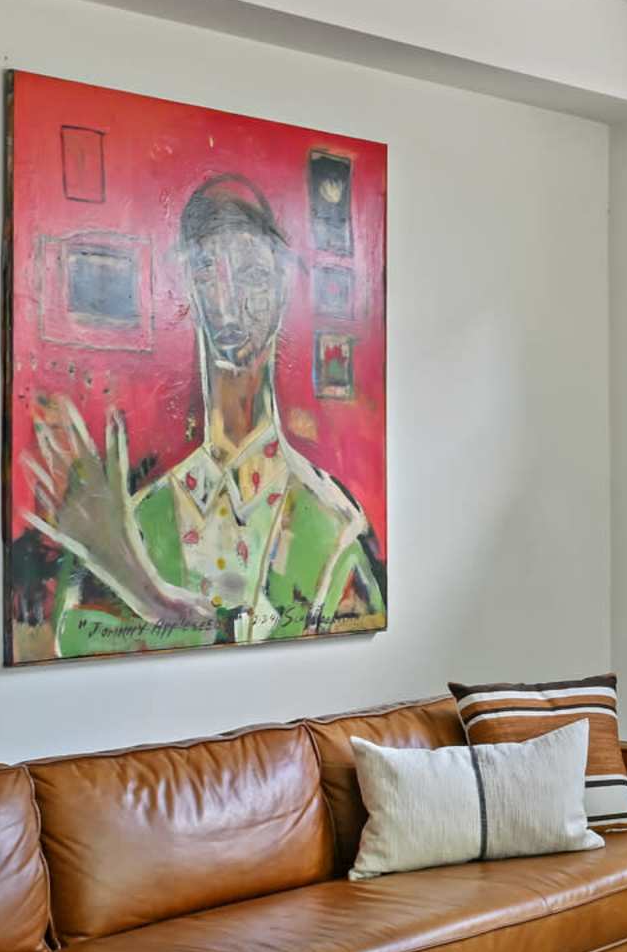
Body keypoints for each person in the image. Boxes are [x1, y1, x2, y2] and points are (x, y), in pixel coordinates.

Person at [23, 172, 382, 655]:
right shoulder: (139, 517)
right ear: (188, 290)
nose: (227, 300)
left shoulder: (332, 526)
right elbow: (76, 642)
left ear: (281, 289)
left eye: (252, 274)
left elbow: (332, 667)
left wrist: (145, 591)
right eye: (208, 272)